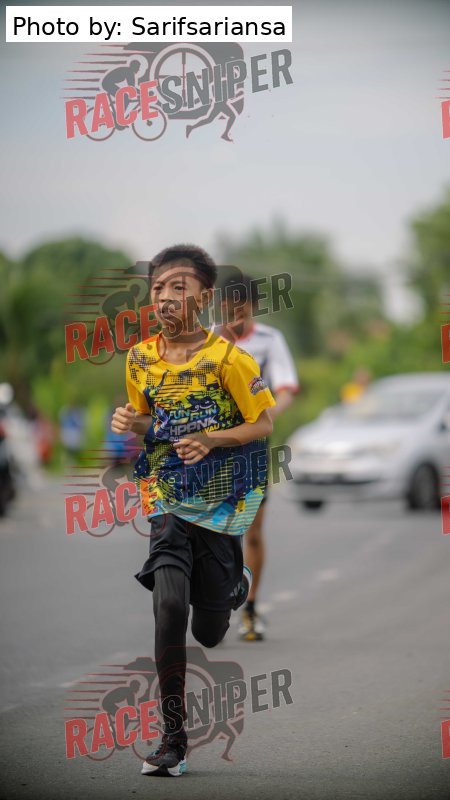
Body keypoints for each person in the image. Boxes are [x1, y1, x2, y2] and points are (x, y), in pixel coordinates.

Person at [111, 244, 275, 777]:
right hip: (166, 496)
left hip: (220, 502)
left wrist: (211, 438)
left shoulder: (231, 360)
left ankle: (234, 585)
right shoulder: (139, 358)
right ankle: (173, 741)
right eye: (158, 288)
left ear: (204, 297)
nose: (164, 297)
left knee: (208, 632)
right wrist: (129, 421)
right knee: (168, 606)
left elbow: (262, 423)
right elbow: (149, 421)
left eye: (178, 288)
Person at [214, 273, 300, 641]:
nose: (234, 314)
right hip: (211, 445)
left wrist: (265, 417)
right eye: (227, 307)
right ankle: (212, 606)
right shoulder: (205, 341)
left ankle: (249, 608)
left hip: (252, 447)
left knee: (252, 530)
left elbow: (286, 389)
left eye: (241, 307)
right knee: (211, 530)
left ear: (252, 307)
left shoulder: (269, 340)